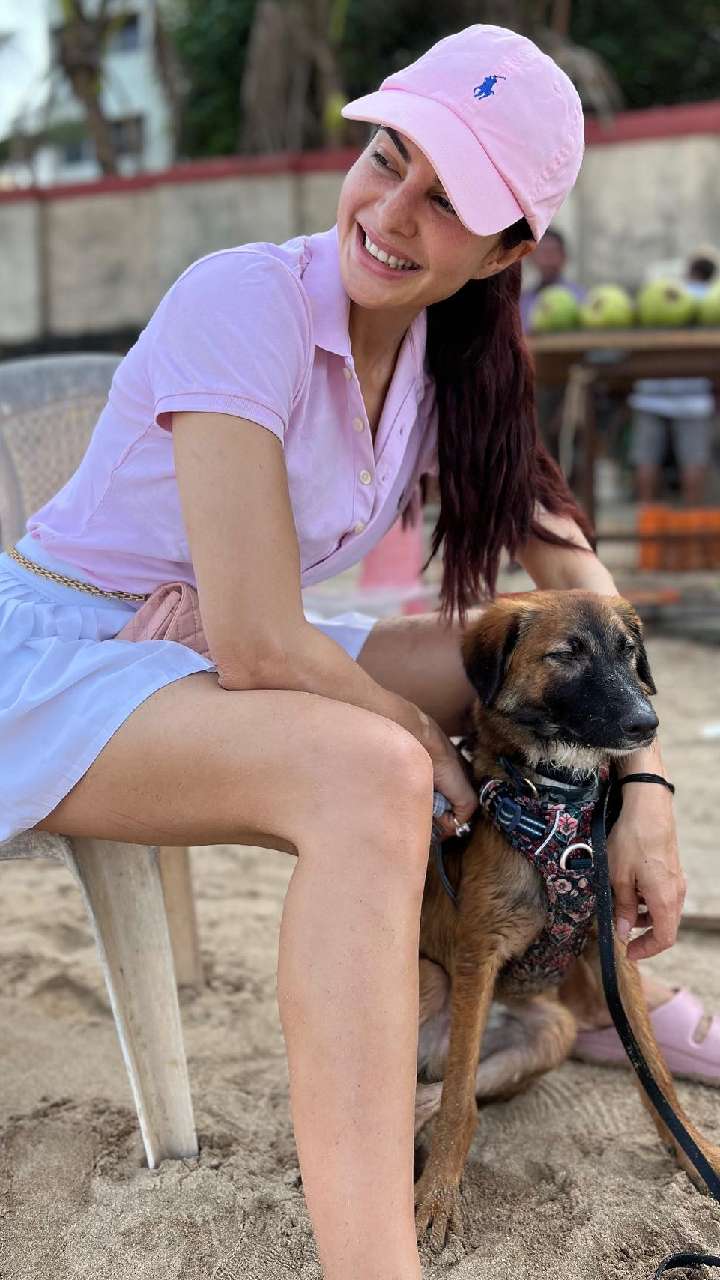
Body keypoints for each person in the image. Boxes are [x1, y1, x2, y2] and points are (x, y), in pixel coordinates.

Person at [0, 24, 701, 1280]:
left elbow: (574, 583)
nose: (388, 211)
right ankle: (374, 1260)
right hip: (59, 653)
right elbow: (263, 640)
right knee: (377, 767)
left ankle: (585, 982)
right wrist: (418, 735)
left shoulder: (454, 361)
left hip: (208, 640)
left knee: (519, 659)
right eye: (388, 157)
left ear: (505, 251)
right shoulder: (244, 300)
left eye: (447, 200)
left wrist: (647, 788)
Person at [628, 251, 718, 504]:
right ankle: (691, 521)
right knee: (694, 460)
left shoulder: (655, 293)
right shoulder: (708, 298)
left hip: (650, 392)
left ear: (689, 271)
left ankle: (647, 519)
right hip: (694, 394)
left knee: (647, 460)